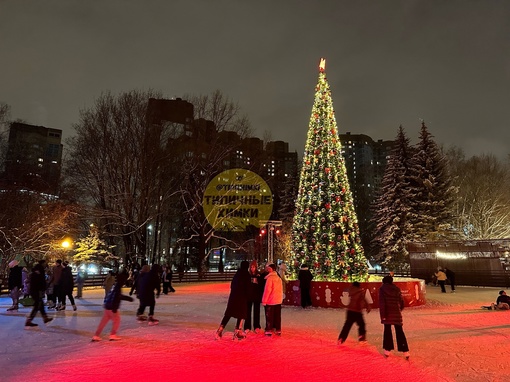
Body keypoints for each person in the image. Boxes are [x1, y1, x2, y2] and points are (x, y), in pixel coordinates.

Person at [92, 270, 133, 341]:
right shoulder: (118, 286)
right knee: (117, 320)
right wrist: (114, 308)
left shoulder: (115, 285)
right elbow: (117, 297)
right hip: (111, 307)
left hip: (107, 306)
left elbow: (115, 296)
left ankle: (96, 335)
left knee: (103, 322)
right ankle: (113, 335)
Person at [215, 260, 250, 340]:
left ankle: (220, 329)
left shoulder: (237, 274)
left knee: (228, 314)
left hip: (233, 298)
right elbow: (248, 288)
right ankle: (238, 331)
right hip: (242, 298)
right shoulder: (246, 275)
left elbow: (232, 285)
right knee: (241, 314)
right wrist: (248, 296)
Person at [379, 275, 410, 359]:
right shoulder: (397, 289)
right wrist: (398, 310)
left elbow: (382, 304)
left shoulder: (382, 289)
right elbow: (402, 302)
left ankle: (387, 349)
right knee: (399, 331)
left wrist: (383, 316)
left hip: (387, 314)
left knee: (387, 331)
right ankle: (405, 351)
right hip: (396, 313)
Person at [25, 260, 53, 328]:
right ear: (42, 263)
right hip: (37, 290)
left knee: (40, 304)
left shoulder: (36, 271)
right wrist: (43, 287)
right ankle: (29, 320)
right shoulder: (39, 271)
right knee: (38, 305)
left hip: (36, 290)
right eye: (45, 263)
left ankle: (45, 318)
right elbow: (40, 281)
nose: (45, 264)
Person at [262, 263, 284, 337]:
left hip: (271, 300)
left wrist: (264, 301)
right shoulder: (278, 278)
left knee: (269, 316)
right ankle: (278, 329)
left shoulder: (270, 278)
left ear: (272, 269)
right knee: (277, 315)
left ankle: (269, 329)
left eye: (269, 268)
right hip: (278, 300)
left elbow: (267, 290)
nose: (268, 269)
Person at [244, 260, 263, 334]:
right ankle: (247, 326)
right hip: (249, 296)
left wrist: (258, 282)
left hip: (256, 296)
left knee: (256, 311)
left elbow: (261, 286)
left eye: (254, 267)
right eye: (251, 267)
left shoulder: (259, 275)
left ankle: (256, 326)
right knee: (248, 312)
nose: (252, 268)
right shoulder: (248, 275)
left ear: (256, 267)